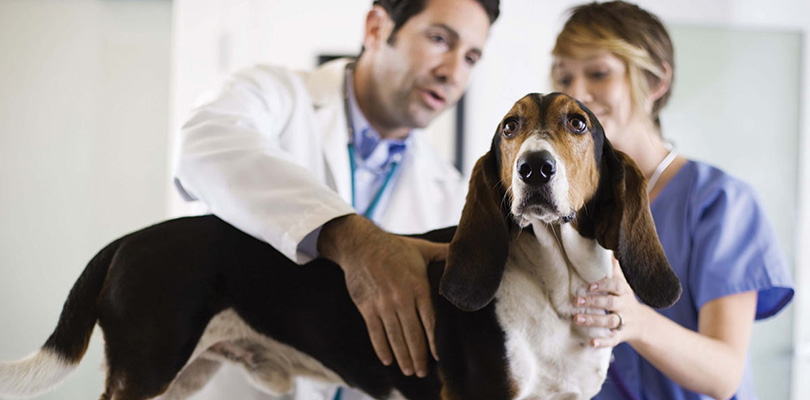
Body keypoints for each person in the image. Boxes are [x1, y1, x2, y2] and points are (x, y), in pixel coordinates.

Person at [173, 0, 500, 398]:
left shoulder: (450, 194)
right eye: (438, 39)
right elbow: (203, 146)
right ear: (377, 27)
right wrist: (350, 239)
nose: (452, 73)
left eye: (470, 57)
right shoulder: (274, 95)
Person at [549, 2, 794, 399]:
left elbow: (724, 374)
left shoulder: (720, 204)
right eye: (563, 77)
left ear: (656, 81)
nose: (576, 94)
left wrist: (634, 321)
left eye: (598, 73)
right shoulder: (564, 207)